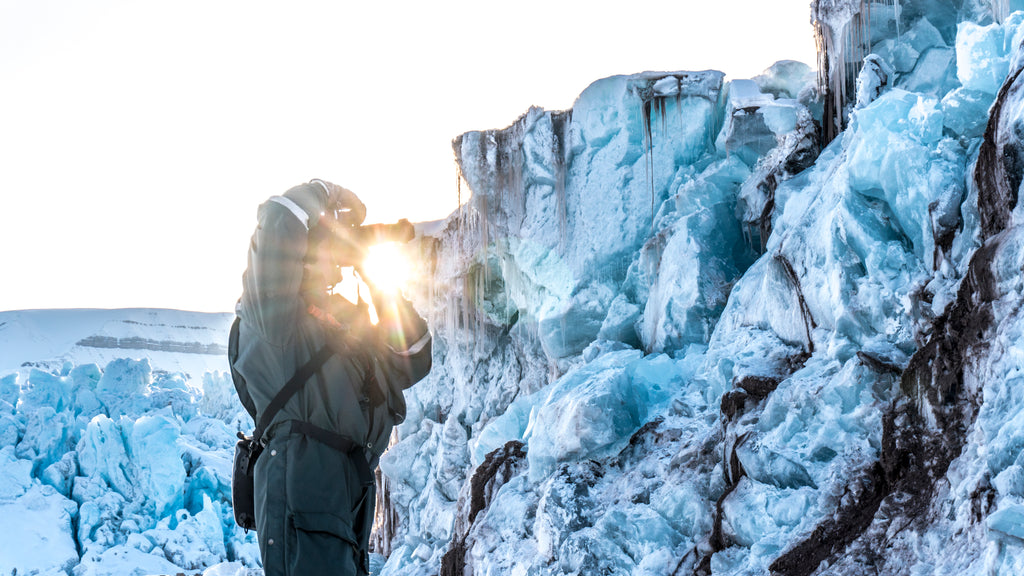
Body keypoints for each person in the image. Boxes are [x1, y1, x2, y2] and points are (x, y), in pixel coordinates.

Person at [232, 179, 432, 575]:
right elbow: (279, 219)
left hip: (345, 497)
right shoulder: (274, 324)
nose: (337, 259)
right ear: (301, 253)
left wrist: (379, 284)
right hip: (304, 484)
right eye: (328, 245)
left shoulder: (343, 323)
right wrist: (328, 192)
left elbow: (414, 358)